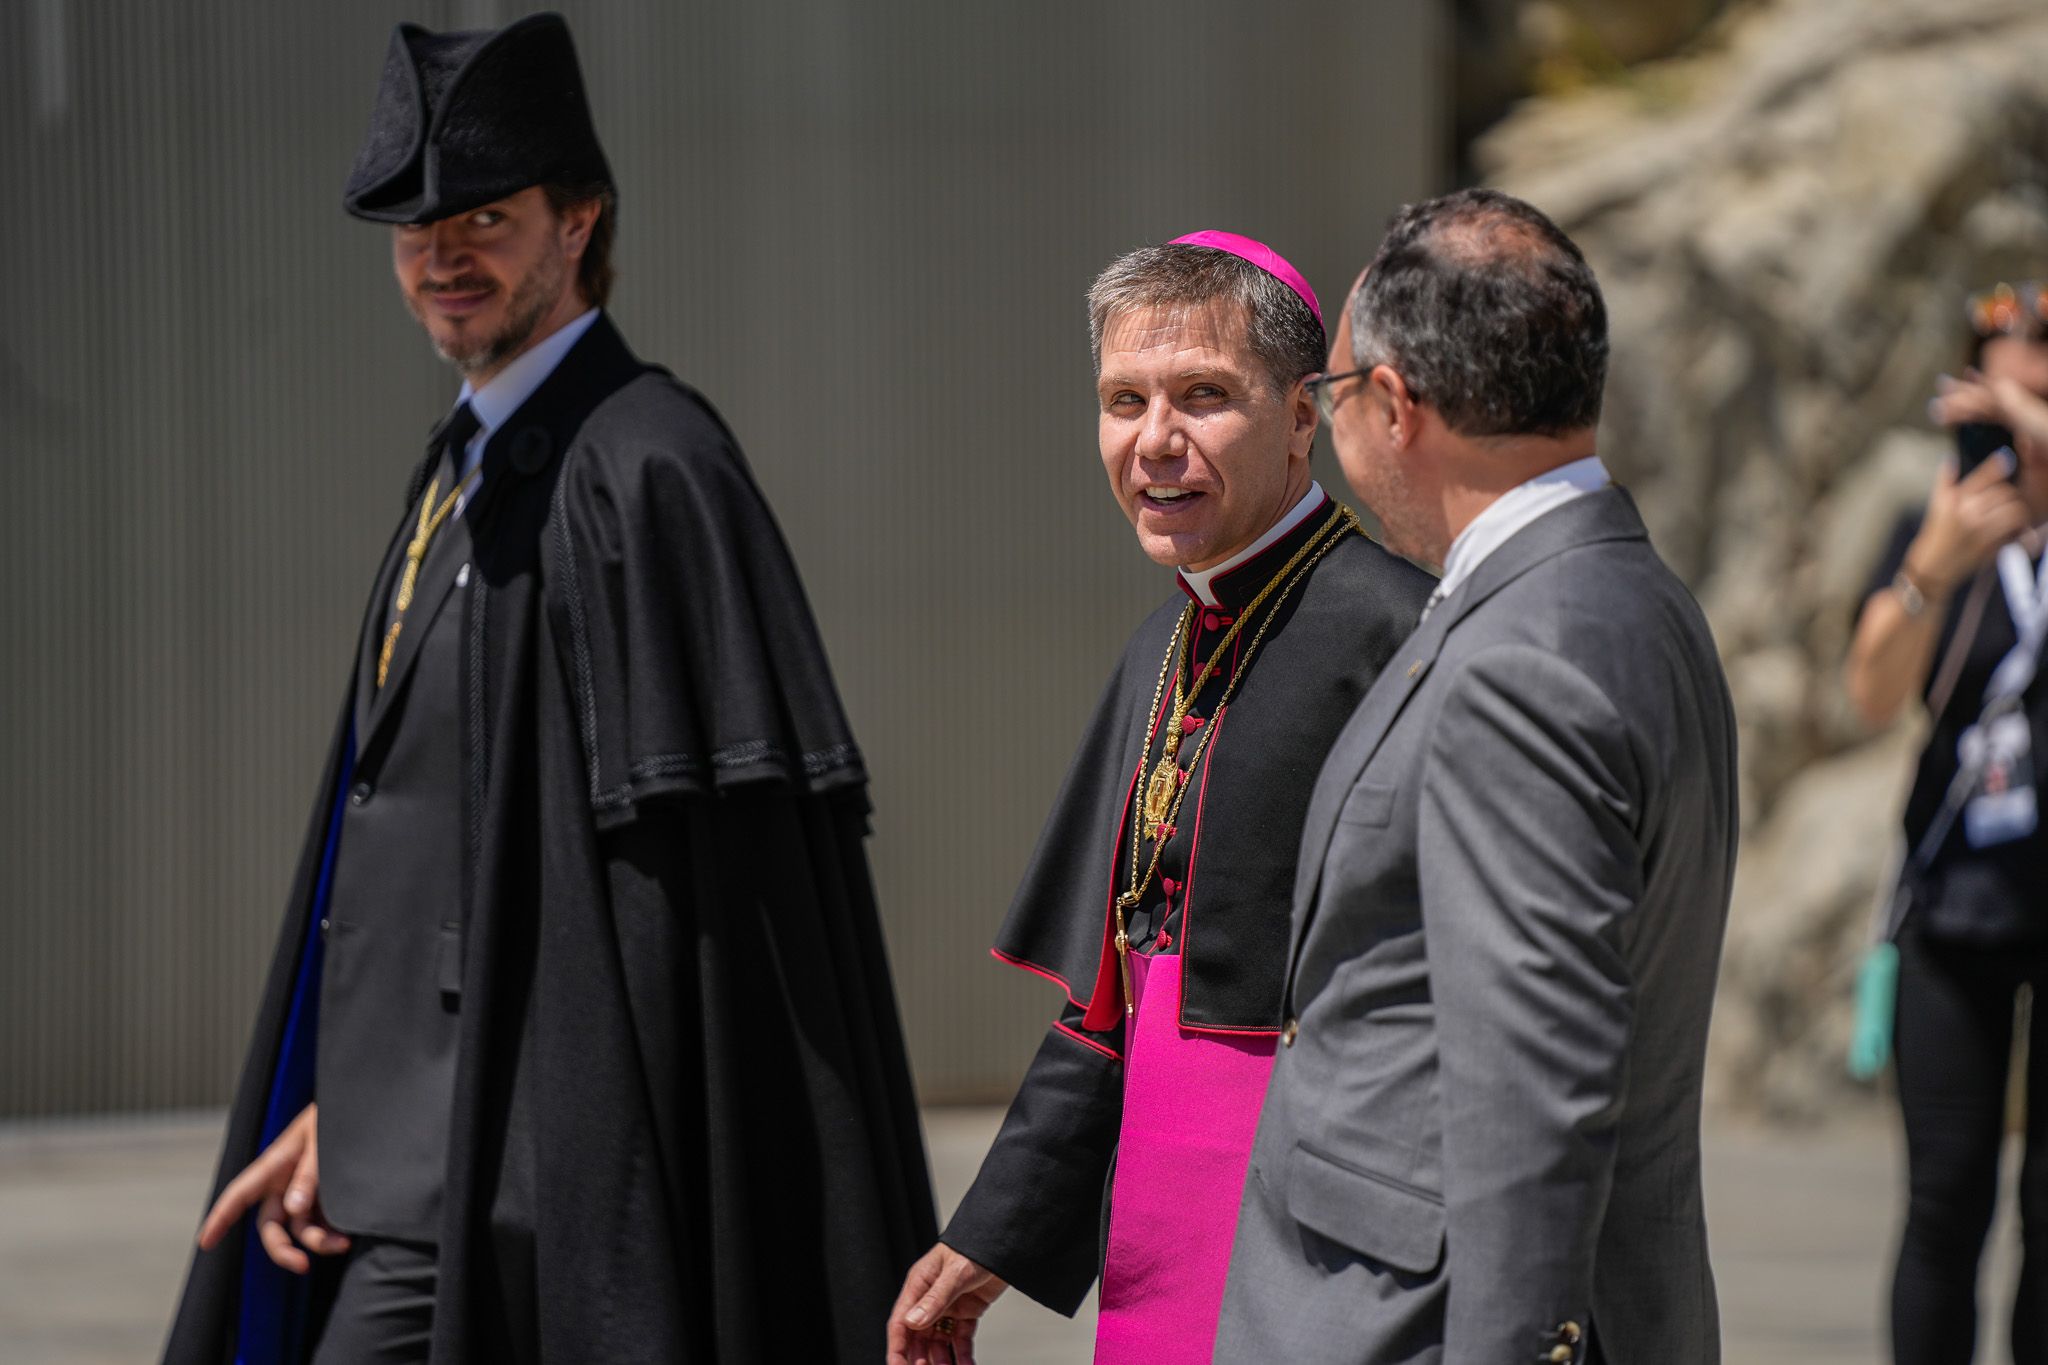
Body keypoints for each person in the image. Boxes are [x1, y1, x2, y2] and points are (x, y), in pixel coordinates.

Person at [161, 14, 935, 1363]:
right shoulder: (462, 466)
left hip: (545, 1195)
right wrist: (354, 1108)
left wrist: (528, 1178)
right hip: (412, 1173)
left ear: (578, 223)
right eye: (416, 230)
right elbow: (440, 849)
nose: (444, 257)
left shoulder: (647, 471)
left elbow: (681, 922)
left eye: (486, 220)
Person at [885, 233, 1433, 1364]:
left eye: (1202, 398)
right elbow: (1114, 990)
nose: (1153, 442)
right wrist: (991, 1234)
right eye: (1122, 400)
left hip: (1314, 1231)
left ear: (1298, 416)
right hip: (1157, 1226)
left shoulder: (1399, 633)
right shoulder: (1161, 644)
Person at [1217, 188, 1739, 1363]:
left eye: (1336, 397)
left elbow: (1531, 1095)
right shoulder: (1632, 595)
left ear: (1394, 406)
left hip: (1416, 1323)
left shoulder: (1518, 660)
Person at [1845, 280, 2048, 1365]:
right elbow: (1872, 696)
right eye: (1999, 379)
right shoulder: (1936, 530)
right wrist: (1932, 569)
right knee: (1943, 1206)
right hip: (1951, 906)